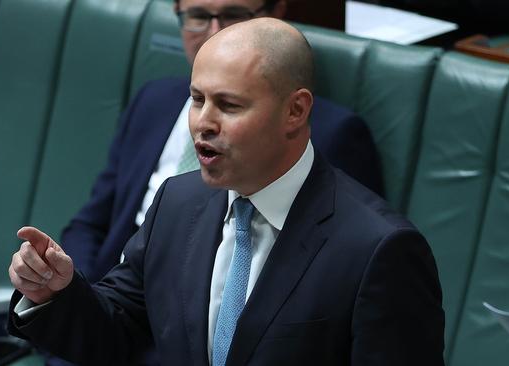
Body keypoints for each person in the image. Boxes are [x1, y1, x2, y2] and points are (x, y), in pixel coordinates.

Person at [8, 18, 444, 365]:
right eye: (197, 100)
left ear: (295, 110)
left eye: (229, 105)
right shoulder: (177, 203)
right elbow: (117, 333)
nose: (203, 123)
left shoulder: (379, 250)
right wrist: (55, 292)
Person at [60, 0, 383, 285]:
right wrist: (75, 304)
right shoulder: (152, 100)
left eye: (234, 15)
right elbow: (91, 223)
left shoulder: (333, 134)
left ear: (277, 13)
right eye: (198, 15)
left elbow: (340, 272)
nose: (214, 33)